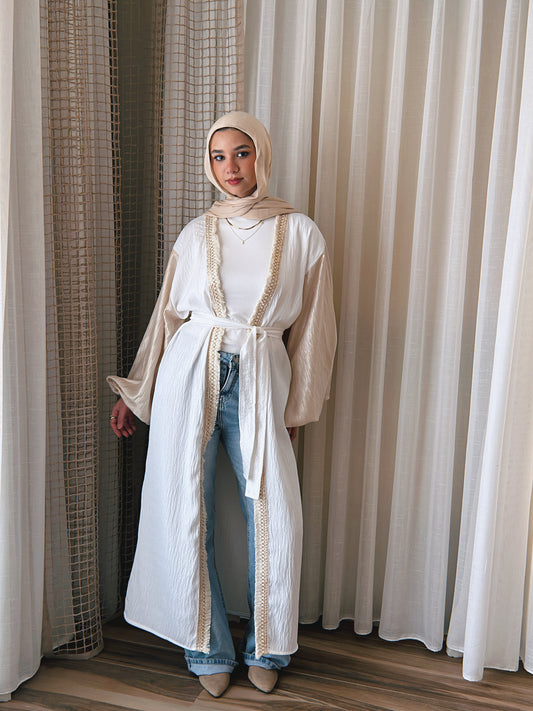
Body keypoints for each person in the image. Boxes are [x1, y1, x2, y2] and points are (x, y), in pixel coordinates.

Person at [108, 112, 336, 698]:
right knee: (188, 507)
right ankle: (205, 646)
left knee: (274, 513)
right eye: (218, 156)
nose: (230, 167)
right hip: (189, 374)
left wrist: (296, 407)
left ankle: (268, 646)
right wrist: (138, 390)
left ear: (261, 155)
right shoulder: (196, 233)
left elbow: (314, 329)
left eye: (241, 153)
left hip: (259, 376)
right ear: (209, 166)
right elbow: (167, 317)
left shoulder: (301, 232)